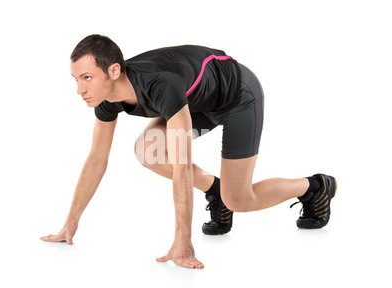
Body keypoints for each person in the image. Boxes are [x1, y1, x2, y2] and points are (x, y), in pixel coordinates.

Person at [41, 34, 337, 269]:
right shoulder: (105, 98)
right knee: (148, 151)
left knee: (239, 200)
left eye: (87, 78)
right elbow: (96, 159)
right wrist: (70, 223)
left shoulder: (160, 85)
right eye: (76, 79)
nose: (80, 90)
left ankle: (314, 187)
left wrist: (183, 241)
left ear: (114, 70)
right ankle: (216, 191)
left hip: (238, 98)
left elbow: (182, 164)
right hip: (198, 103)